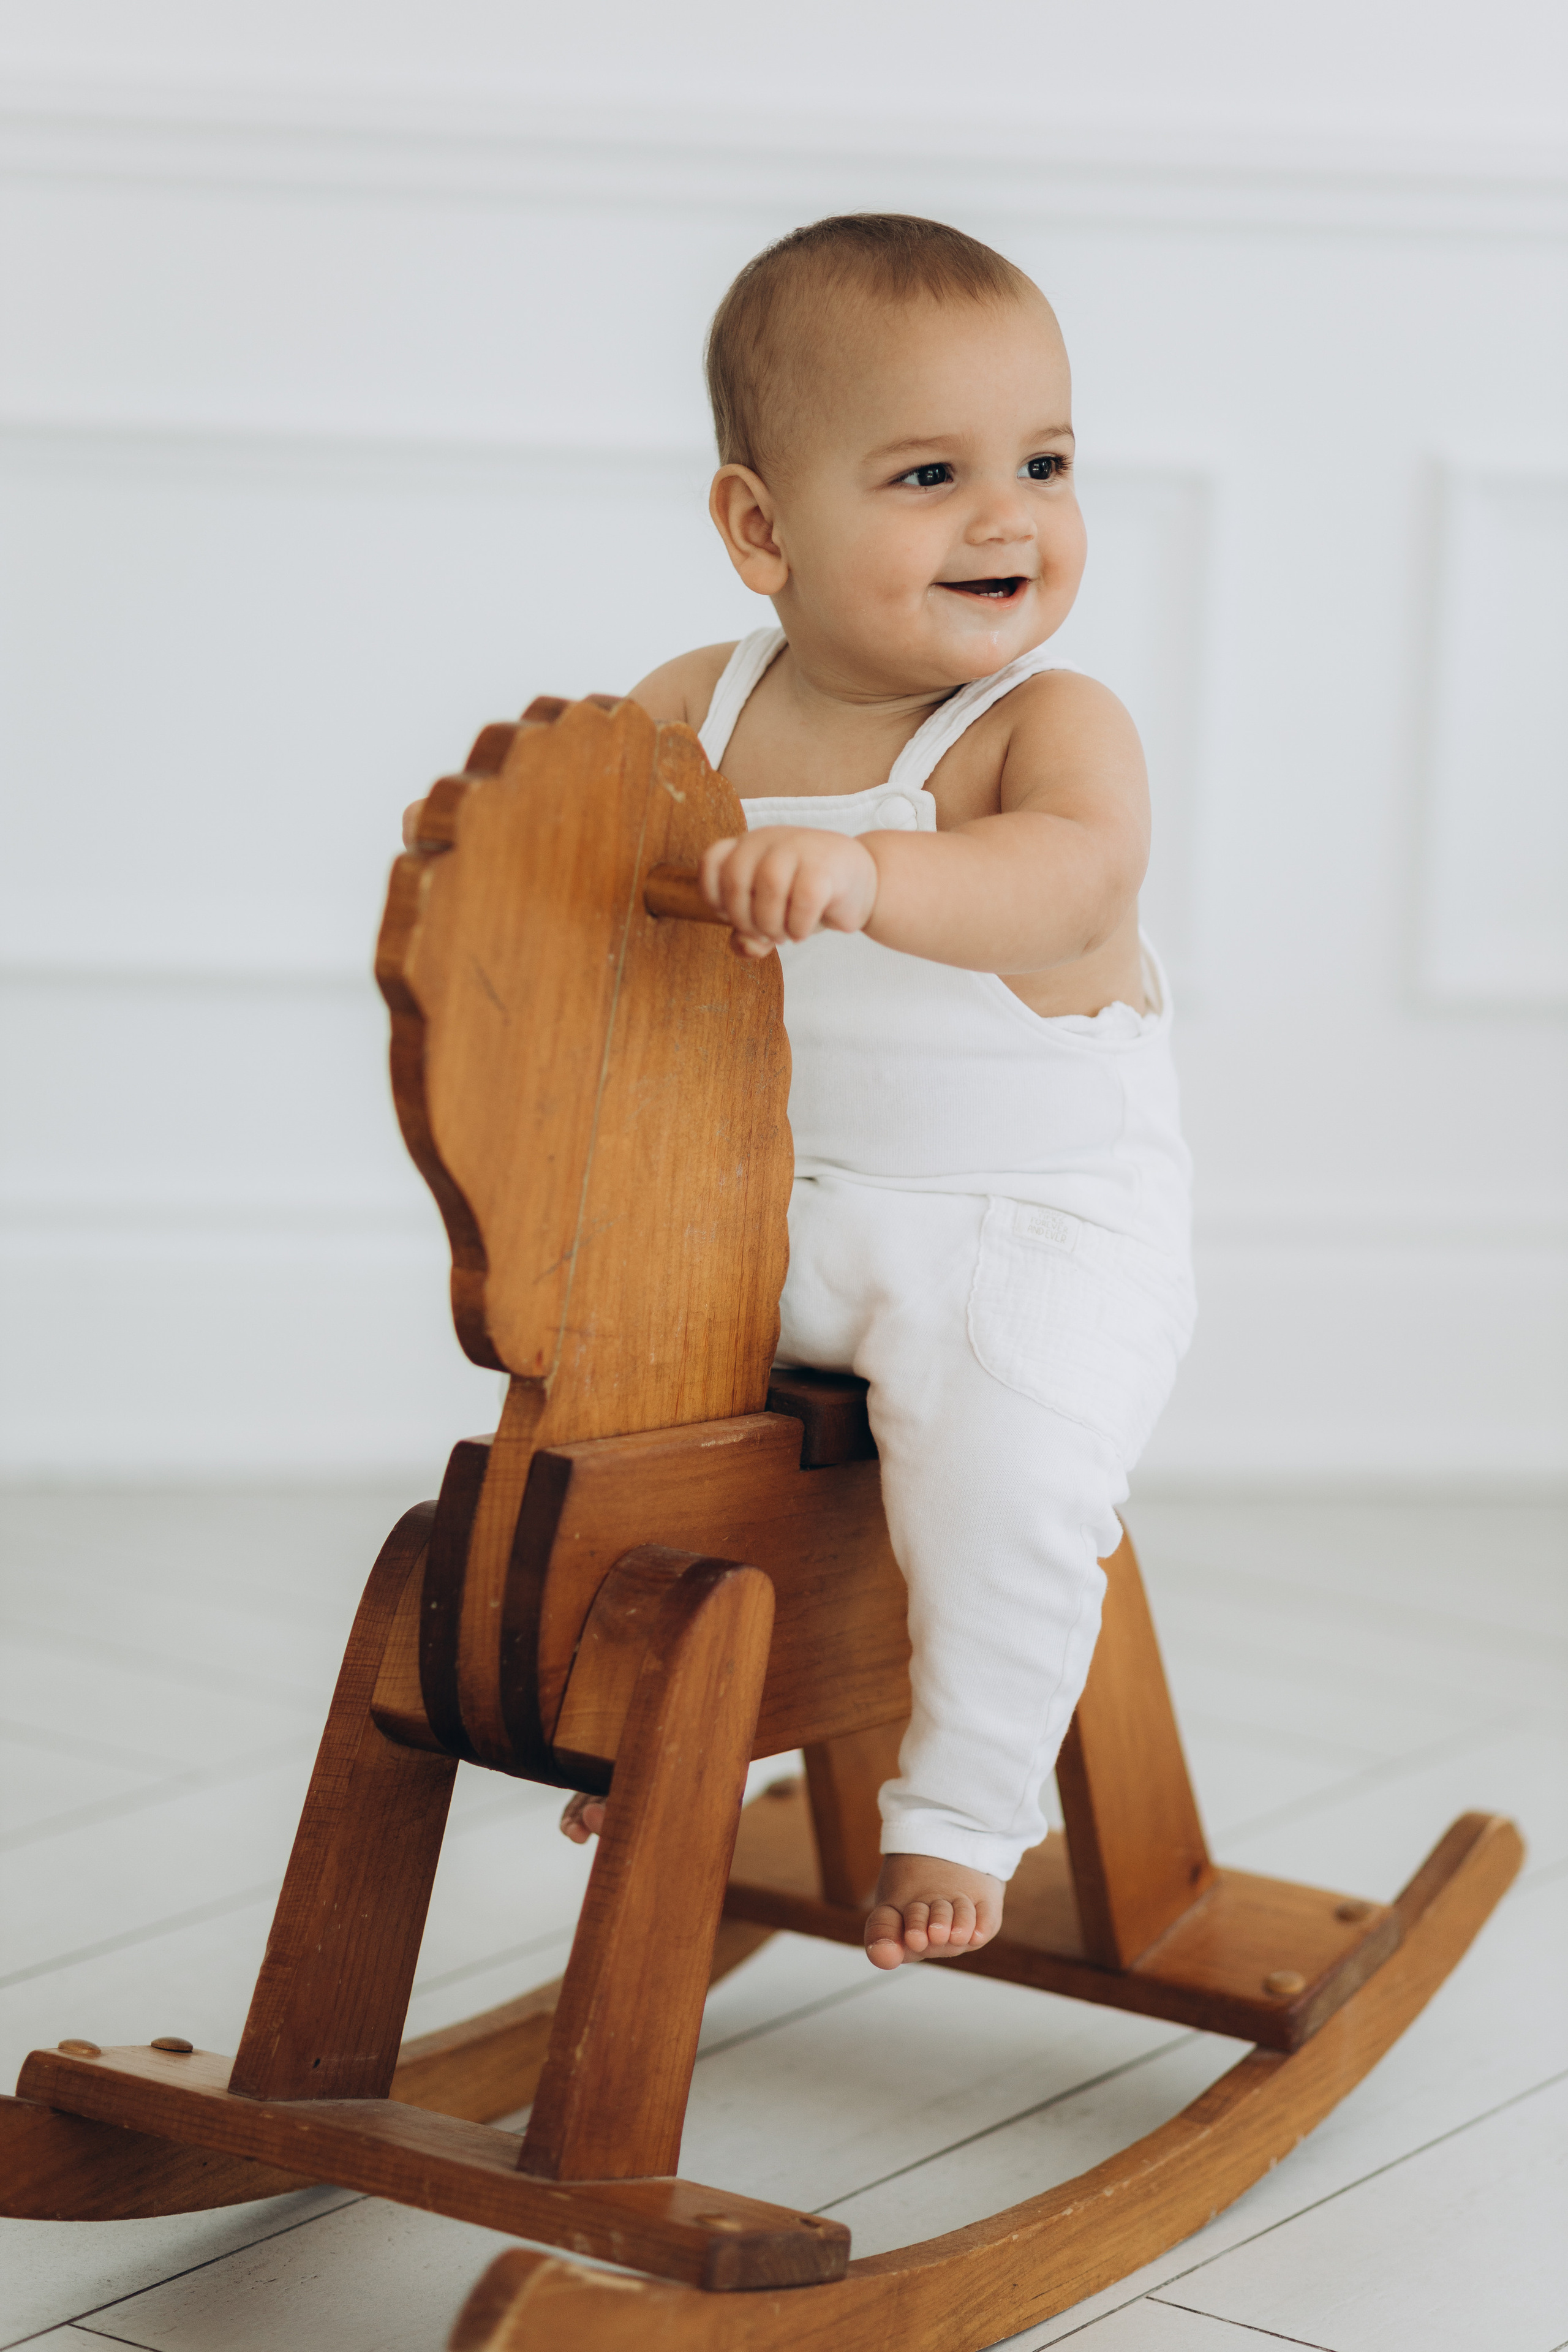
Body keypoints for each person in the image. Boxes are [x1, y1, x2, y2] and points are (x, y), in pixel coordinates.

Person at [563, 212, 1196, 1970]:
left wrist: (873, 880)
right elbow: (596, 852)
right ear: (761, 527)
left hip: (1029, 1220)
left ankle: (966, 1813)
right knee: (612, 1401)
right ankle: (642, 1719)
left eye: (1046, 463)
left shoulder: (1039, 729)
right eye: (932, 473)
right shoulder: (702, 704)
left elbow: (1067, 881)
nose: (1011, 517)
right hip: (793, 1200)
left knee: (1007, 1463)